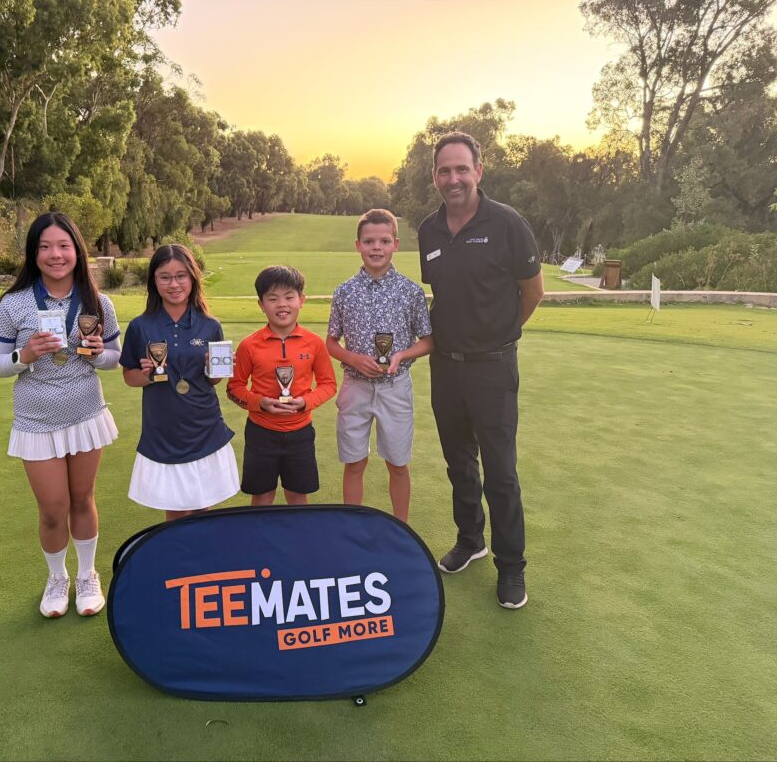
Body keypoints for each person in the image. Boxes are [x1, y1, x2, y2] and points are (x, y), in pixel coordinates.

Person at [418, 131, 545, 610]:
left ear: (479, 170)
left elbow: (532, 292)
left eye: (461, 169)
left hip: (493, 367)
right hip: (445, 367)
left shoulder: (508, 223)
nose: (453, 178)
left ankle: (511, 568)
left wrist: (500, 335)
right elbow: (440, 292)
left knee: (501, 472)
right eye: (444, 171)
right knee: (458, 463)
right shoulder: (429, 229)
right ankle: (471, 540)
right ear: (435, 176)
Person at [0, 212, 120, 619]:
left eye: (63, 246)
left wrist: (99, 355)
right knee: (52, 507)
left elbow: (115, 358)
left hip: (85, 414)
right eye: (45, 247)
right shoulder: (13, 304)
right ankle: (57, 577)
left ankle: (86, 576)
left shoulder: (98, 303)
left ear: (77, 252)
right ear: (33, 253)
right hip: (36, 422)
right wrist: (23, 356)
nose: (55, 254)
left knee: (82, 499)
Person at [326, 209, 433, 523]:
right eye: (369, 240)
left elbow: (428, 341)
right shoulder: (344, 292)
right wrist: (353, 357)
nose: (376, 247)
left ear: (395, 245)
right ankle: (352, 527)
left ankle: (401, 528)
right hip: (355, 387)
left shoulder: (410, 292)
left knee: (398, 463)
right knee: (354, 462)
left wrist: (401, 356)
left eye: (384, 240)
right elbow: (331, 343)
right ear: (357, 244)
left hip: (395, 388)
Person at [119, 244, 238, 521]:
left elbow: (214, 380)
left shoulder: (210, 324)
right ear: (154, 281)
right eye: (165, 277)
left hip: (204, 426)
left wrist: (215, 368)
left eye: (181, 275)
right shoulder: (140, 326)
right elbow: (129, 376)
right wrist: (147, 374)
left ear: (193, 278)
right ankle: (180, 564)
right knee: (176, 511)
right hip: (164, 429)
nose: (174, 284)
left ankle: (202, 563)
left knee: (202, 507)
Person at [228, 266, 337, 506]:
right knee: (262, 495)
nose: (282, 305)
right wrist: (260, 404)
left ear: (301, 300)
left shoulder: (314, 344)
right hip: (260, 433)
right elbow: (234, 388)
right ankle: (259, 542)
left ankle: (297, 542)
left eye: (289, 297)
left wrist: (306, 402)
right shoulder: (249, 346)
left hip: (300, 433)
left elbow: (328, 385)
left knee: (298, 496)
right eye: (272, 298)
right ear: (261, 304)